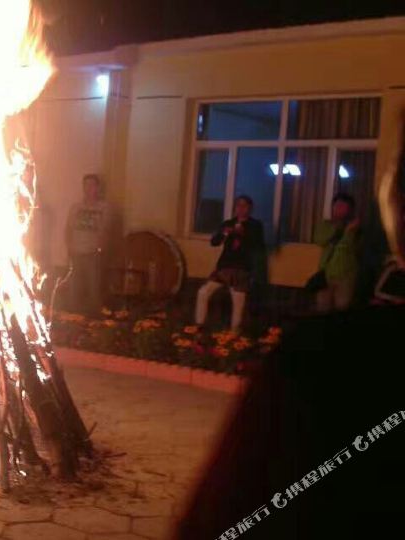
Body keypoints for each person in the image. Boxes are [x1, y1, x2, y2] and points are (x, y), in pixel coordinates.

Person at [174, 118, 405, 540]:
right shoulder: (323, 348)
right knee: (207, 293)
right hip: (228, 267)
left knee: (245, 300)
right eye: (239, 208)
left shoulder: (318, 354)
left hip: (253, 274)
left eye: (244, 209)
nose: (241, 212)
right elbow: (218, 245)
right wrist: (226, 231)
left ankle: (236, 329)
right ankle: (202, 327)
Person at [194, 195, 265, 332]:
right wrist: (225, 233)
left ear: (250, 208)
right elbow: (214, 242)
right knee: (203, 292)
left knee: (238, 301)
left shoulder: (255, 226)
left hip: (241, 269)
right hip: (224, 267)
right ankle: (199, 325)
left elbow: (259, 247)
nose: (240, 209)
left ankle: (234, 333)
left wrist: (243, 233)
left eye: (244, 206)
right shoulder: (228, 223)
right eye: (238, 205)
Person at [65, 174, 111, 315]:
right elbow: (68, 228)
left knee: (94, 286)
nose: (88, 188)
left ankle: (94, 318)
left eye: (91, 185)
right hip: (76, 253)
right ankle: (73, 317)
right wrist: (69, 247)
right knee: (74, 286)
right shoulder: (75, 207)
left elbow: (106, 229)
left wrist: (100, 249)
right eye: (85, 185)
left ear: (97, 188)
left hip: (92, 253)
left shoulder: (104, 208)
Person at [312, 193, 360, 313]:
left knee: (341, 311)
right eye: (337, 206)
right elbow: (319, 239)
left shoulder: (356, 229)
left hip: (346, 277)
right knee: (323, 310)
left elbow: (349, 247)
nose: (339, 210)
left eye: (343, 207)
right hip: (326, 275)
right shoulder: (326, 225)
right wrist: (337, 228)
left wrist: (349, 232)